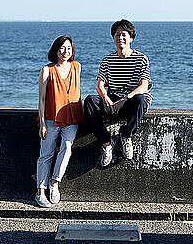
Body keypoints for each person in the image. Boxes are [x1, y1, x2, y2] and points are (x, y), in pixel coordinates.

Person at [84, 19, 152, 167]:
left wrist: (125, 99)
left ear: (131, 38)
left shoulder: (141, 59)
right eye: (117, 35)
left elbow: (144, 86)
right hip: (113, 99)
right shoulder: (107, 60)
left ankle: (126, 135)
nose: (120, 38)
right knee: (90, 101)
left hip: (131, 100)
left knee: (141, 99)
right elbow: (100, 85)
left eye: (123, 35)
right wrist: (106, 98)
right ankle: (106, 142)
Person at [35, 35, 83, 208]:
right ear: (56, 49)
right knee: (45, 154)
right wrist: (41, 122)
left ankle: (54, 183)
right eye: (62, 48)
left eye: (69, 48)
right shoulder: (47, 70)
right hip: (50, 118)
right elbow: (41, 98)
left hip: (72, 117)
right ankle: (40, 190)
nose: (66, 51)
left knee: (67, 148)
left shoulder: (77, 67)